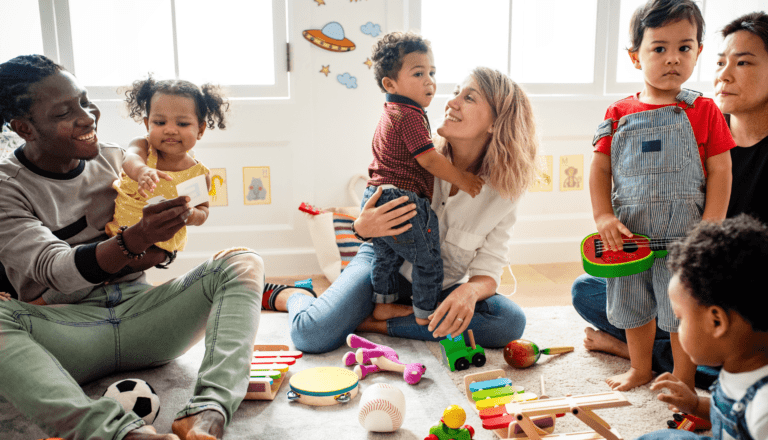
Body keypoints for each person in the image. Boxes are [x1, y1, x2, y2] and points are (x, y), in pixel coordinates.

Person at [0, 54, 264, 440]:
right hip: (69, 329)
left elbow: (165, 241)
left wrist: (171, 231)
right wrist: (134, 240)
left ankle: (209, 410)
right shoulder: (8, 187)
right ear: (25, 127)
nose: (87, 117)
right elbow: (54, 268)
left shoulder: (116, 160)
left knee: (243, 261)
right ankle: (119, 434)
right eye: (64, 112)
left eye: (85, 101)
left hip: (144, 316)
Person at [263, 66, 538, 354]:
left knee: (508, 322)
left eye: (469, 98)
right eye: (456, 92)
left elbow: (489, 270)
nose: (451, 102)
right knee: (310, 335)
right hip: (383, 268)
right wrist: (361, 227)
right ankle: (293, 295)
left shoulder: (504, 191)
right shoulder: (416, 153)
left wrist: (469, 291)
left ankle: (375, 324)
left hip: (437, 288)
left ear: (496, 122)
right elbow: (368, 214)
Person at [573, 10, 768, 391]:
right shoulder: (619, 114)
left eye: (684, 48)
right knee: (603, 294)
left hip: (699, 258)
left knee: (682, 313)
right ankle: (643, 362)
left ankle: (681, 371)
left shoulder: (702, 111)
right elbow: (599, 170)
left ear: (694, 52)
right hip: (636, 245)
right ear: (636, 56)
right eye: (659, 48)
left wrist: (708, 228)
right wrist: (603, 216)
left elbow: (721, 174)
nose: (673, 58)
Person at [362, 31, 483, 326]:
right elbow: (428, 158)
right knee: (428, 260)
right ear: (390, 84)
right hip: (399, 197)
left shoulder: (391, 111)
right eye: (418, 73)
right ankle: (426, 314)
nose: (429, 80)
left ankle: (383, 305)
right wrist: (464, 180)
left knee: (386, 257)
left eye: (431, 72)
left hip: (376, 194)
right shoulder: (409, 113)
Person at [635, 215, 768, 440]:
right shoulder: (739, 361)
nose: (677, 328)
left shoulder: (763, 411)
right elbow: (727, 408)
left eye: (680, 318)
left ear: (716, 322)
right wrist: (695, 405)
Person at [103, 76, 226, 271]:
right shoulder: (143, 147)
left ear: (200, 129)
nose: (170, 130)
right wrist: (142, 170)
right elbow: (130, 159)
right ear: (147, 124)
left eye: (182, 124)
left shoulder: (198, 174)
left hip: (160, 245)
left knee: (123, 271)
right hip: (119, 234)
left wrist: (191, 215)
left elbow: (203, 210)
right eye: (159, 122)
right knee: (106, 268)